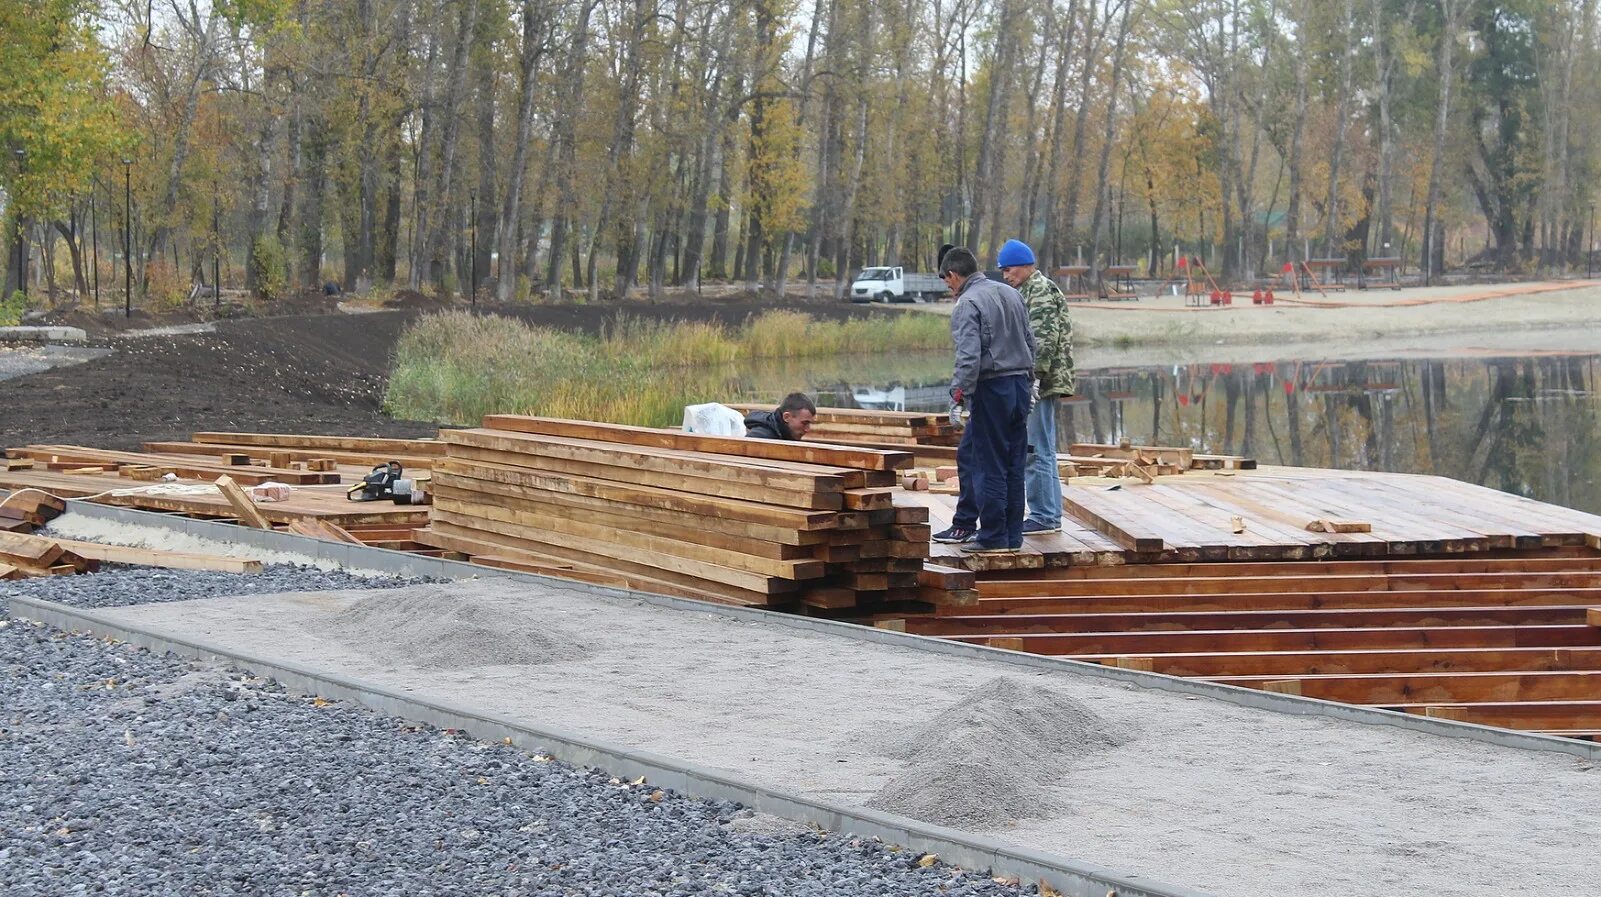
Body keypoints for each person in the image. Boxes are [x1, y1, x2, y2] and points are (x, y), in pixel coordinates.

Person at [932, 247, 1035, 554]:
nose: (948, 288)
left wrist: (958, 396)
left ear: (953, 274)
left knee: (988, 464)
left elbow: (968, 357)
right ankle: (1012, 537)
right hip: (1020, 386)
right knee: (1014, 463)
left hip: (993, 388)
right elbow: (1030, 341)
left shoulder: (968, 303)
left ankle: (991, 537)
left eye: (946, 281)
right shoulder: (1011, 293)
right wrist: (1030, 382)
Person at [996, 238, 1074, 534]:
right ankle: (1048, 514)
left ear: (1025, 265)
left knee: (1035, 450)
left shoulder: (1038, 291)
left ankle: (1044, 516)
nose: (1006, 276)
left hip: (1039, 382)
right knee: (1042, 449)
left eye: (1009, 269)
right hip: (1038, 380)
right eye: (1003, 271)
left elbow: (1043, 340)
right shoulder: (1028, 289)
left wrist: (1033, 379)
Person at [744, 392, 816, 440]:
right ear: (786, 417)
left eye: (809, 423)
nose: (808, 429)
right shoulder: (760, 438)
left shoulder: (787, 434)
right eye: (804, 423)